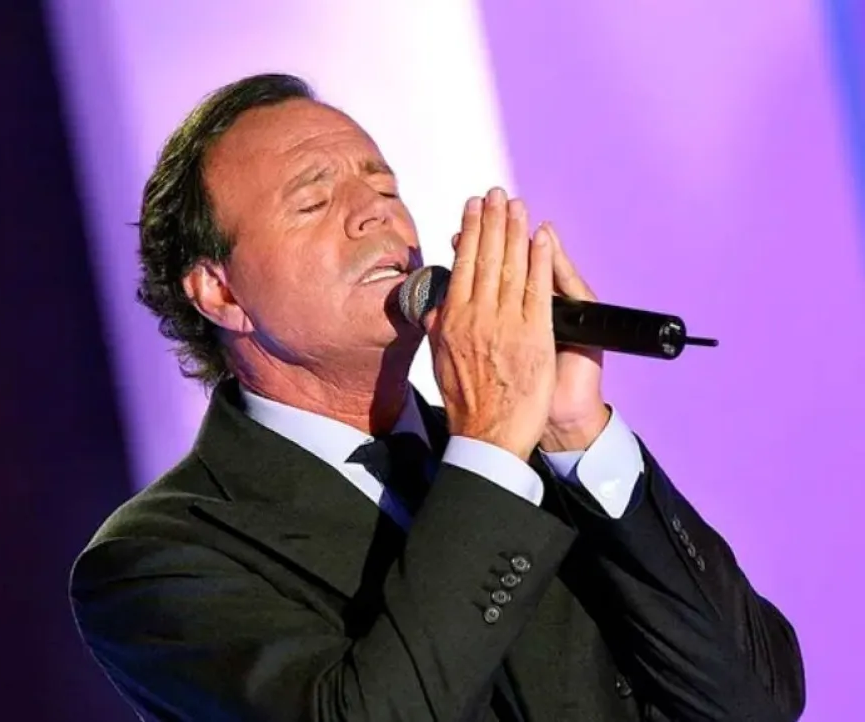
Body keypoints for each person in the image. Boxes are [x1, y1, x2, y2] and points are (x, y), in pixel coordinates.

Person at [69, 73, 805, 722]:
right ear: (220, 291)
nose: (375, 215)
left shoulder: (528, 458)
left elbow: (757, 701)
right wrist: (491, 449)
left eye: (385, 189)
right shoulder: (159, 560)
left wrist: (576, 436)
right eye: (314, 201)